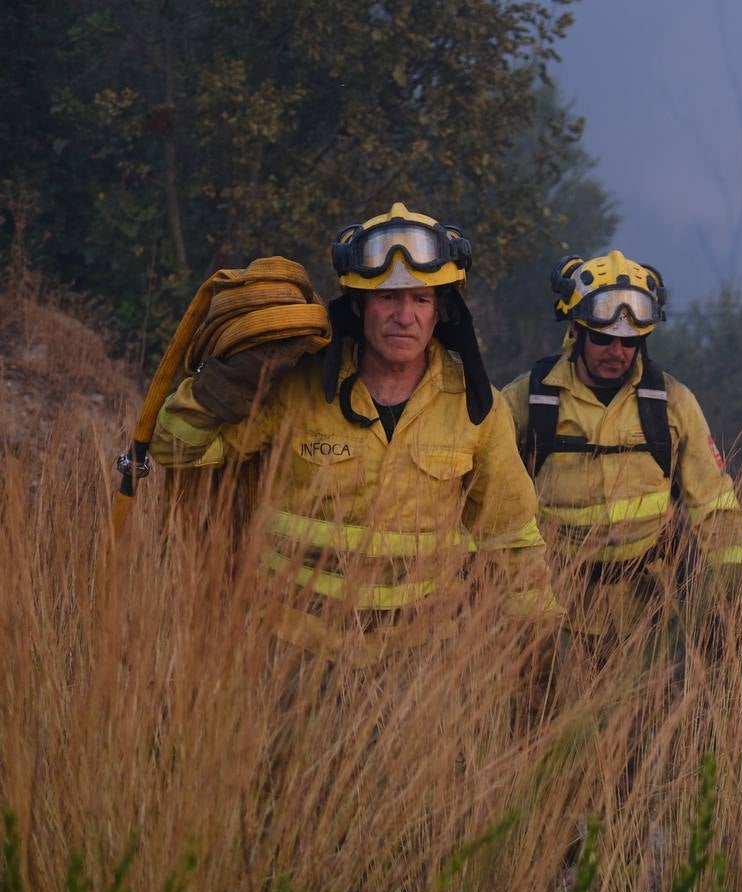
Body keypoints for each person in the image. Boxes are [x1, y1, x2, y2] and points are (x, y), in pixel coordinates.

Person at [150, 202, 560, 664]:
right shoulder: (295, 388)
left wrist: (538, 640)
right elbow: (175, 449)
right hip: (291, 644)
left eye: (420, 299)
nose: (404, 315)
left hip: (419, 655)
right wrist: (228, 382)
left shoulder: (477, 408)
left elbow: (510, 535)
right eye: (388, 297)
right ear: (359, 307)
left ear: (439, 312)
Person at [502, 250, 742, 651]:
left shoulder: (672, 404)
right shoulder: (527, 401)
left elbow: (714, 504)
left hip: (652, 616)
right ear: (577, 330)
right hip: (552, 614)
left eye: (630, 341)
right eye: (603, 338)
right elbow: (485, 498)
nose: (616, 351)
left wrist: (730, 578)